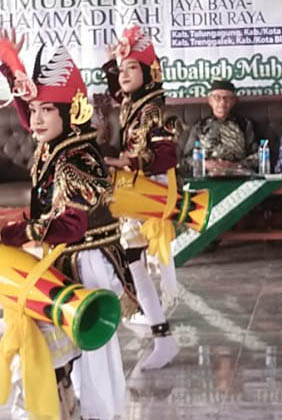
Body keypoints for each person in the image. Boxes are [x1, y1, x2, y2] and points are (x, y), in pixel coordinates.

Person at [0, 30, 136, 420]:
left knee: (93, 354)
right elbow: (31, 112)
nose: (34, 119)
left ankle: (99, 415)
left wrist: (12, 234)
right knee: (66, 351)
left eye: (46, 110)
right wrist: (11, 66)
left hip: (89, 260)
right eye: (34, 110)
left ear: (70, 112)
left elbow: (71, 226)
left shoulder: (77, 158)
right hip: (67, 257)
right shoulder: (58, 143)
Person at [102, 25, 180, 371]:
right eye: (122, 69)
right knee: (133, 262)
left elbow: (167, 155)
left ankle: (161, 333)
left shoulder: (154, 110)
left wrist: (129, 162)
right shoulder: (134, 103)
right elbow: (117, 91)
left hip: (149, 193)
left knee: (134, 260)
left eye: (131, 68)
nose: (123, 75)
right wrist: (111, 65)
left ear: (149, 73)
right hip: (134, 193)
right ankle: (157, 325)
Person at [181, 79, 257, 175]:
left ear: (233, 101)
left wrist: (235, 165)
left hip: (238, 174)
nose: (222, 102)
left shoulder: (245, 125)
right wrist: (205, 164)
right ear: (210, 101)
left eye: (227, 98)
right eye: (217, 98)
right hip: (206, 175)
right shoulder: (200, 126)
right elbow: (186, 159)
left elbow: (257, 156)